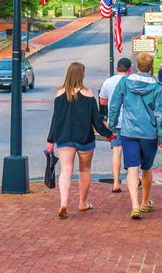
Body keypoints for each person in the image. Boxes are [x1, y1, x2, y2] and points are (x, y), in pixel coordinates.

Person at [47, 62, 115, 219]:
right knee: (84, 170)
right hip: (84, 138)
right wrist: (109, 135)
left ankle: (63, 203)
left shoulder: (59, 94)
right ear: (81, 75)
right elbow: (96, 121)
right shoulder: (88, 94)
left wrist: (50, 140)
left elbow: (55, 120)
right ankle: (82, 203)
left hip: (64, 137)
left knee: (65, 170)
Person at [108, 52, 162, 220]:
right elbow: (161, 114)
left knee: (132, 167)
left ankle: (134, 205)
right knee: (146, 168)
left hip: (128, 131)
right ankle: (144, 202)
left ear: (136, 66)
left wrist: (112, 126)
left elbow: (114, 105)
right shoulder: (157, 87)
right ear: (152, 66)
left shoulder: (125, 82)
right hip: (149, 133)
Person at [99, 57, 133, 193]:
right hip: (131, 120)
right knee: (132, 150)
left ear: (117, 68)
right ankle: (133, 178)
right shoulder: (132, 81)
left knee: (116, 151)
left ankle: (115, 182)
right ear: (129, 69)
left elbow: (102, 101)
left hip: (115, 121)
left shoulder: (108, 82)